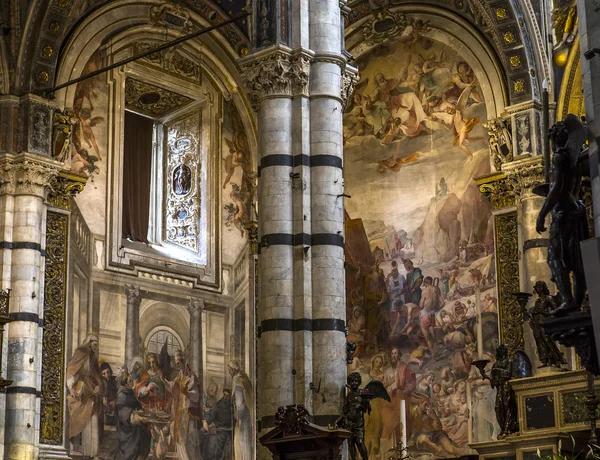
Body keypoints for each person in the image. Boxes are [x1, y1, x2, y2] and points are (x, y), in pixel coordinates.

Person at [536, 116, 588, 315]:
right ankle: (577, 300)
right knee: (576, 257)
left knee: (555, 257)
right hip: (576, 209)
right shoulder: (573, 158)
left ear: (554, 139)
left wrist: (541, 214)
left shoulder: (559, 158)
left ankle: (568, 300)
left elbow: (557, 188)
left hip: (564, 212)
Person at [66, 334, 103, 458]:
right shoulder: (81, 352)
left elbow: (97, 377)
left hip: (91, 390)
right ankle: (79, 449)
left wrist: (99, 386)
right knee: (78, 412)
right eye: (95, 344)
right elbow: (72, 371)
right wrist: (71, 388)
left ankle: (92, 452)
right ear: (89, 342)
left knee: (92, 418)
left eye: (97, 345)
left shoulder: (93, 357)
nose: (96, 347)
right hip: (81, 387)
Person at [170, 350, 202, 459]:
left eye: (179, 362)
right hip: (180, 413)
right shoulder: (179, 376)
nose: (177, 365)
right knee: (180, 441)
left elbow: (196, 396)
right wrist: (164, 382)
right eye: (176, 363)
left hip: (189, 414)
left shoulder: (191, 376)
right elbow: (172, 388)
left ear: (183, 362)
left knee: (190, 441)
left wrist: (186, 392)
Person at [113, 371, 152, 460]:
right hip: (127, 427)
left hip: (135, 422)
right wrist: (139, 418)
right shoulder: (122, 395)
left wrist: (141, 410)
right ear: (125, 383)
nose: (132, 382)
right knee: (140, 432)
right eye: (130, 381)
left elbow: (136, 405)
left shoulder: (130, 392)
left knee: (145, 430)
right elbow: (123, 413)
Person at [381, 347, 416, 442]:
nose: (394, 355)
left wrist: (404, 390)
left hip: (401, 397)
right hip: (389, 398)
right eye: (392, 353)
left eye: (396, 353)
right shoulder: (387, 371)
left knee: (401, 417)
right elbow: (383, 386)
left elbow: (412, 382)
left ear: (399, 355)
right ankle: (391, 441)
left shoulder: (404, 367)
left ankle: (402, 439)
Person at [228, 360, 253, 459]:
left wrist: (239, 415)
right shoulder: (245, 378)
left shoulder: (237, 380)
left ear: (233, 370)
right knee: (245, 442)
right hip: (247, 415)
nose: (229, 372)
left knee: (242, 443)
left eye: (229, 370)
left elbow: (240, 402)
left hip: (243, 416)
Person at [203, 389, 234, 459]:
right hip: (221, 431)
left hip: (230, 431)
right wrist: (206, 421)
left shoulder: (231, 406)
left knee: (230, 451)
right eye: (224, 395)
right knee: (218, 451)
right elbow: (211, 415)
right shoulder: (217, 405)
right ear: (222, 394)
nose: (225, 397)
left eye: (227, 395)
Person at [419, 276, 444, 361]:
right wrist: (436, 309)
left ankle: (433, 357)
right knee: (433, 335)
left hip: (425, 315)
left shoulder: (424, 291)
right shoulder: (436, 289)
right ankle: (436, 350)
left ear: (425, 283)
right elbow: (443, 303)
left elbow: (421, 306)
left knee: (427, 338)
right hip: (432, 314)